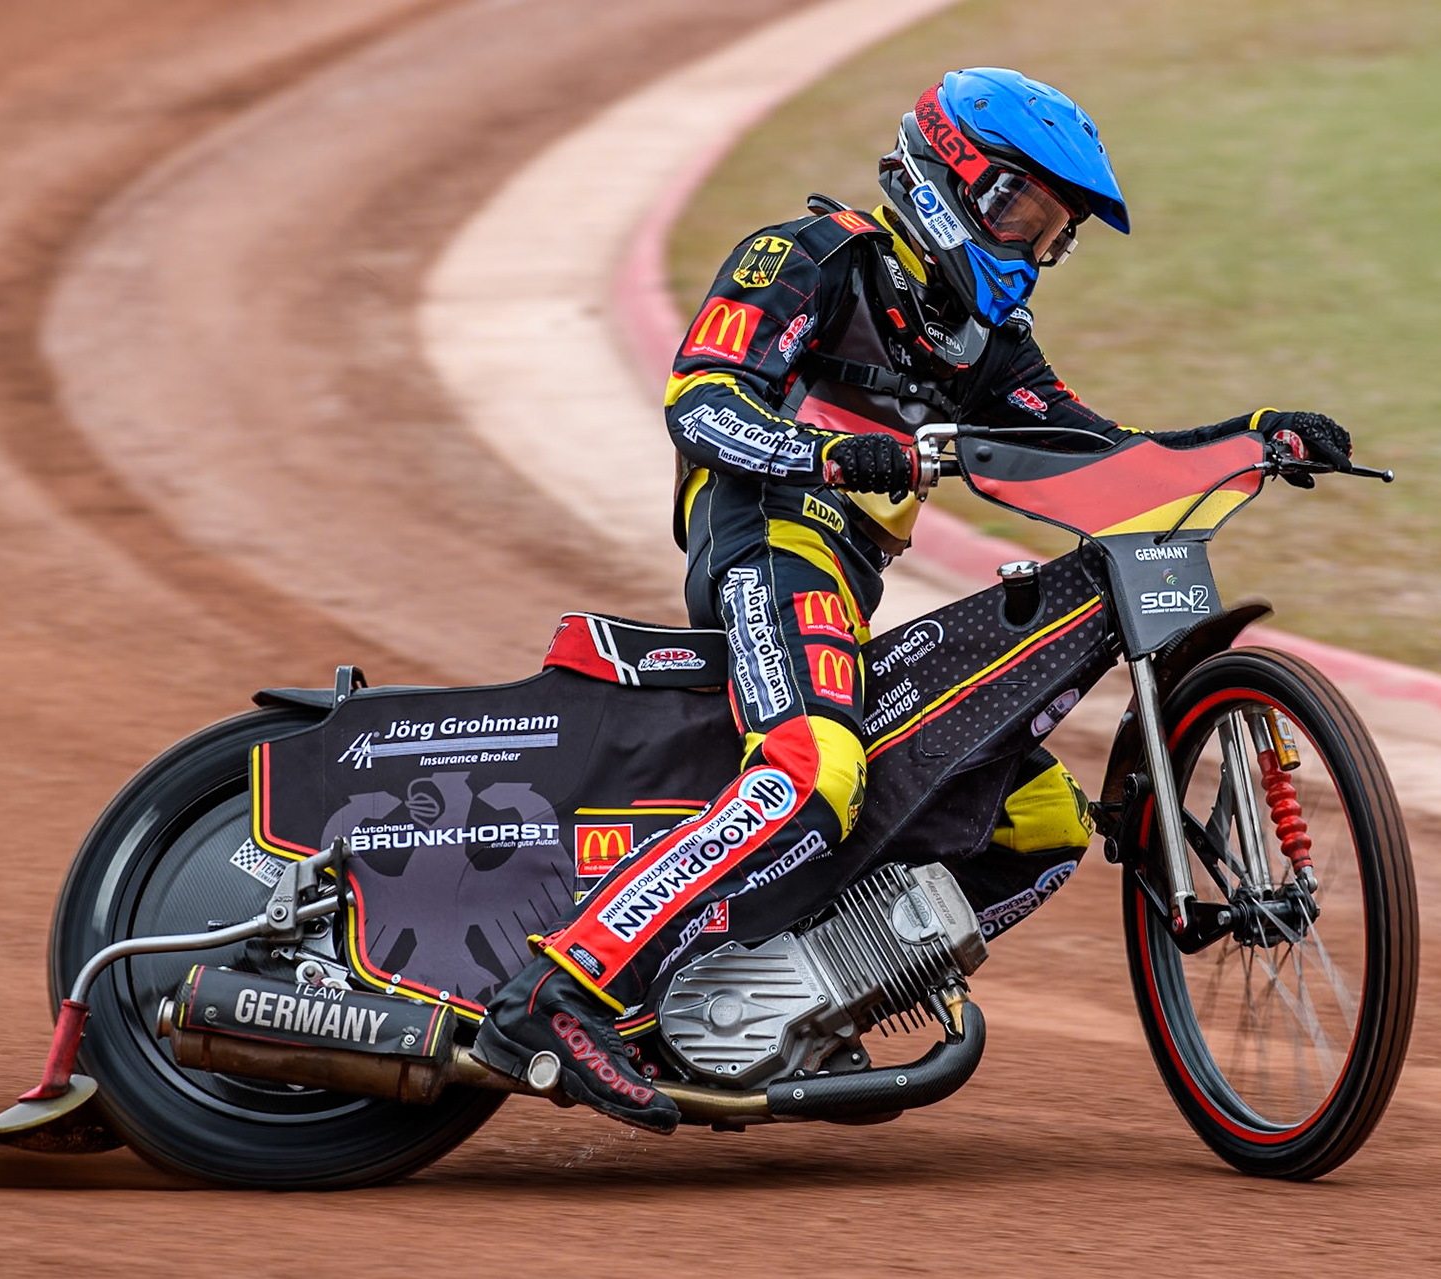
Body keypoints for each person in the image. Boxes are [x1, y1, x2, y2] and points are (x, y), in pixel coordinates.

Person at [475, 67, 1353, 1132]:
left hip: (844, 582)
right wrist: (830, 454)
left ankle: (811, 987)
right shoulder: (810, 256)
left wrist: (1251, 435)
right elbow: (699, 403)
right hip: (767, 542)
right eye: (1025, 212)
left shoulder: (990, 345)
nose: (1035, 250)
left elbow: (1095, 453)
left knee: (1039, 823)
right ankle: (557, 991)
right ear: (953, 178)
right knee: (815, 770)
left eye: (1055, 233)